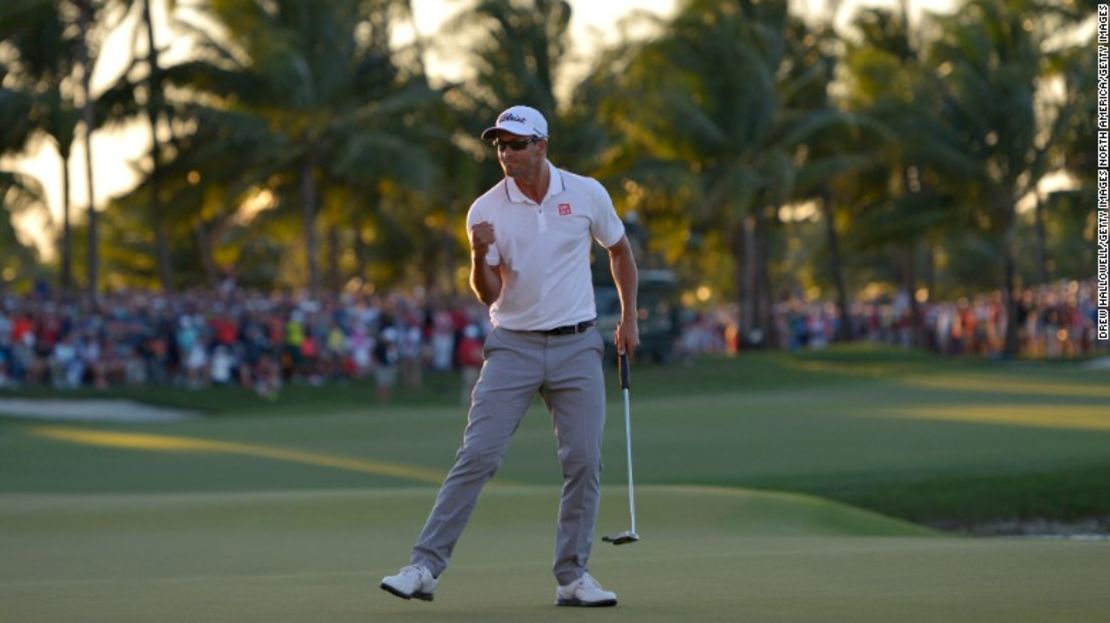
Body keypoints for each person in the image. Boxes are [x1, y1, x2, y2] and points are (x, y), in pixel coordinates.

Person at [380, 105, 639, 607]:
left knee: (584, 459)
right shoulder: (484, 209)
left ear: (541, 146)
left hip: (578, 343)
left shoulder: (587, 192)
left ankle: (572, 577)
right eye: (499, 144)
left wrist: (628, 318)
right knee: (478, 456)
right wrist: (479, 256)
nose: (506, 152)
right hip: (513, 346)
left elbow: (620, 250)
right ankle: (424, 567)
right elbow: (489, 293)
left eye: (516, 143)